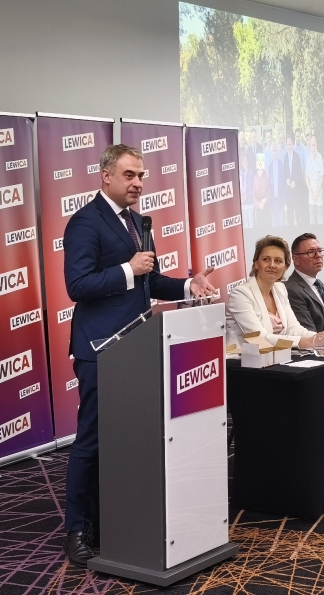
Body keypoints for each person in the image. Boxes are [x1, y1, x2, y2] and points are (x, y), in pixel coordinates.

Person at [62, 144, 218, 567]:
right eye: (129, 174)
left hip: (136, 348)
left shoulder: (137, 222)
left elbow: (149, 282)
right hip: (100, 350)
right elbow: (77, 286)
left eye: (141, 175)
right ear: (106, 175)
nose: (138, 183)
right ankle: (75, 529)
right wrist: (129, 269)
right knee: (92, 440)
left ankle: (106, 520)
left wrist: (187, 287)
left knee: (125, 440)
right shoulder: (85, 222)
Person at [226, 235, 324, 350]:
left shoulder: (280, 288)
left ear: (285, 267)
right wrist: (304, 342)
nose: (272, 265)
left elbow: (293, 328)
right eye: (266, 259)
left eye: (278, 261)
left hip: (277, 355)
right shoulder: (241, 294)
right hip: (243, 358)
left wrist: (321, 337)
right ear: (256, 263)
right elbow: (258, 338)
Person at [284, 233, 324, 332]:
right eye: (311, 252)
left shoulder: (317, 283)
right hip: (323, 340)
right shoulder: (292, 290)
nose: (318, 256)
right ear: (296, 259)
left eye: (319, 251)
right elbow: (308, 332)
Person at [282, 136, 305, 225]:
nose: (288, 146)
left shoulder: (297, 157)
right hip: (289, 193)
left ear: (292, 144)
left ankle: (298, 231)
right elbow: (285, 173)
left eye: (290, 144)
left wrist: (295, 182)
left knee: (298, 215)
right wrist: (286, 180)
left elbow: (300, 175)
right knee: (290, 216)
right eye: (287, 144)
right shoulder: (285, 157)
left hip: (296, 191)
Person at [305, 135, 324, 225]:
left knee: (320, 221)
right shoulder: (308, 159)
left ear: (316, 145)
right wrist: (311, 192)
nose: (313, 147)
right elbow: (307, 177)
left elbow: (321, 177)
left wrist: (316, 193)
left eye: (314, 145)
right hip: (311, 197)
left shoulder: (320, 157)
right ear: (310, 146)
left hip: (319, 196)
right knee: (312, 221)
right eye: (312, 145)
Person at [252, 153, 270, 229]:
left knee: (267, 226)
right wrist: (258, 204)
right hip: (258, 206)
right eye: (258, 160)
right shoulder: (255, 177)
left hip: (266, 204)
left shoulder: (266, 175)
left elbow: (269, 191)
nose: (260, 162)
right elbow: (253, 194)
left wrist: (265, 200)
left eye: (261, 160)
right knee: (260, 227)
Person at [239, 147, 255, 228]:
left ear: (248, 161)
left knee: (251, 225)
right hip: (243, 204)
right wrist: (242, 197)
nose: (244, 163)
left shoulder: (251, 172)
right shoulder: (240, 173)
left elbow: (253, 188)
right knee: (245, 227)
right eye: (243, 161)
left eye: (245, 161)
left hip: (250, 203)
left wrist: (247, 196)